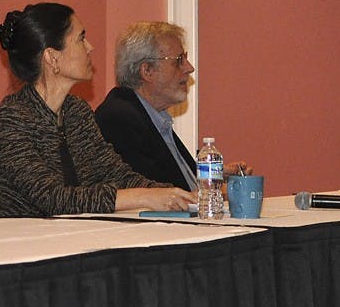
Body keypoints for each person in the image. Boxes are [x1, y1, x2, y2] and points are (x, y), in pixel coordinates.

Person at [0, 3, 197, 218]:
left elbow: (114, 173)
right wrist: (143, 197)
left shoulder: (76, 112)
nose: (90, 47)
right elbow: (54, 199)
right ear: (52, 57)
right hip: (14, 250)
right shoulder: (7, 121)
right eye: (81, 38)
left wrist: (177, 195)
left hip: (67, 244)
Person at [94, 22, 250, 190]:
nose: (190, 68)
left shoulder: (152, 116)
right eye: (179, 61)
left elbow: (170, 176)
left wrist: (213, 175)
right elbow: (153, 193)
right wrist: (219, 193)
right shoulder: (119, 118)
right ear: (147, 71)